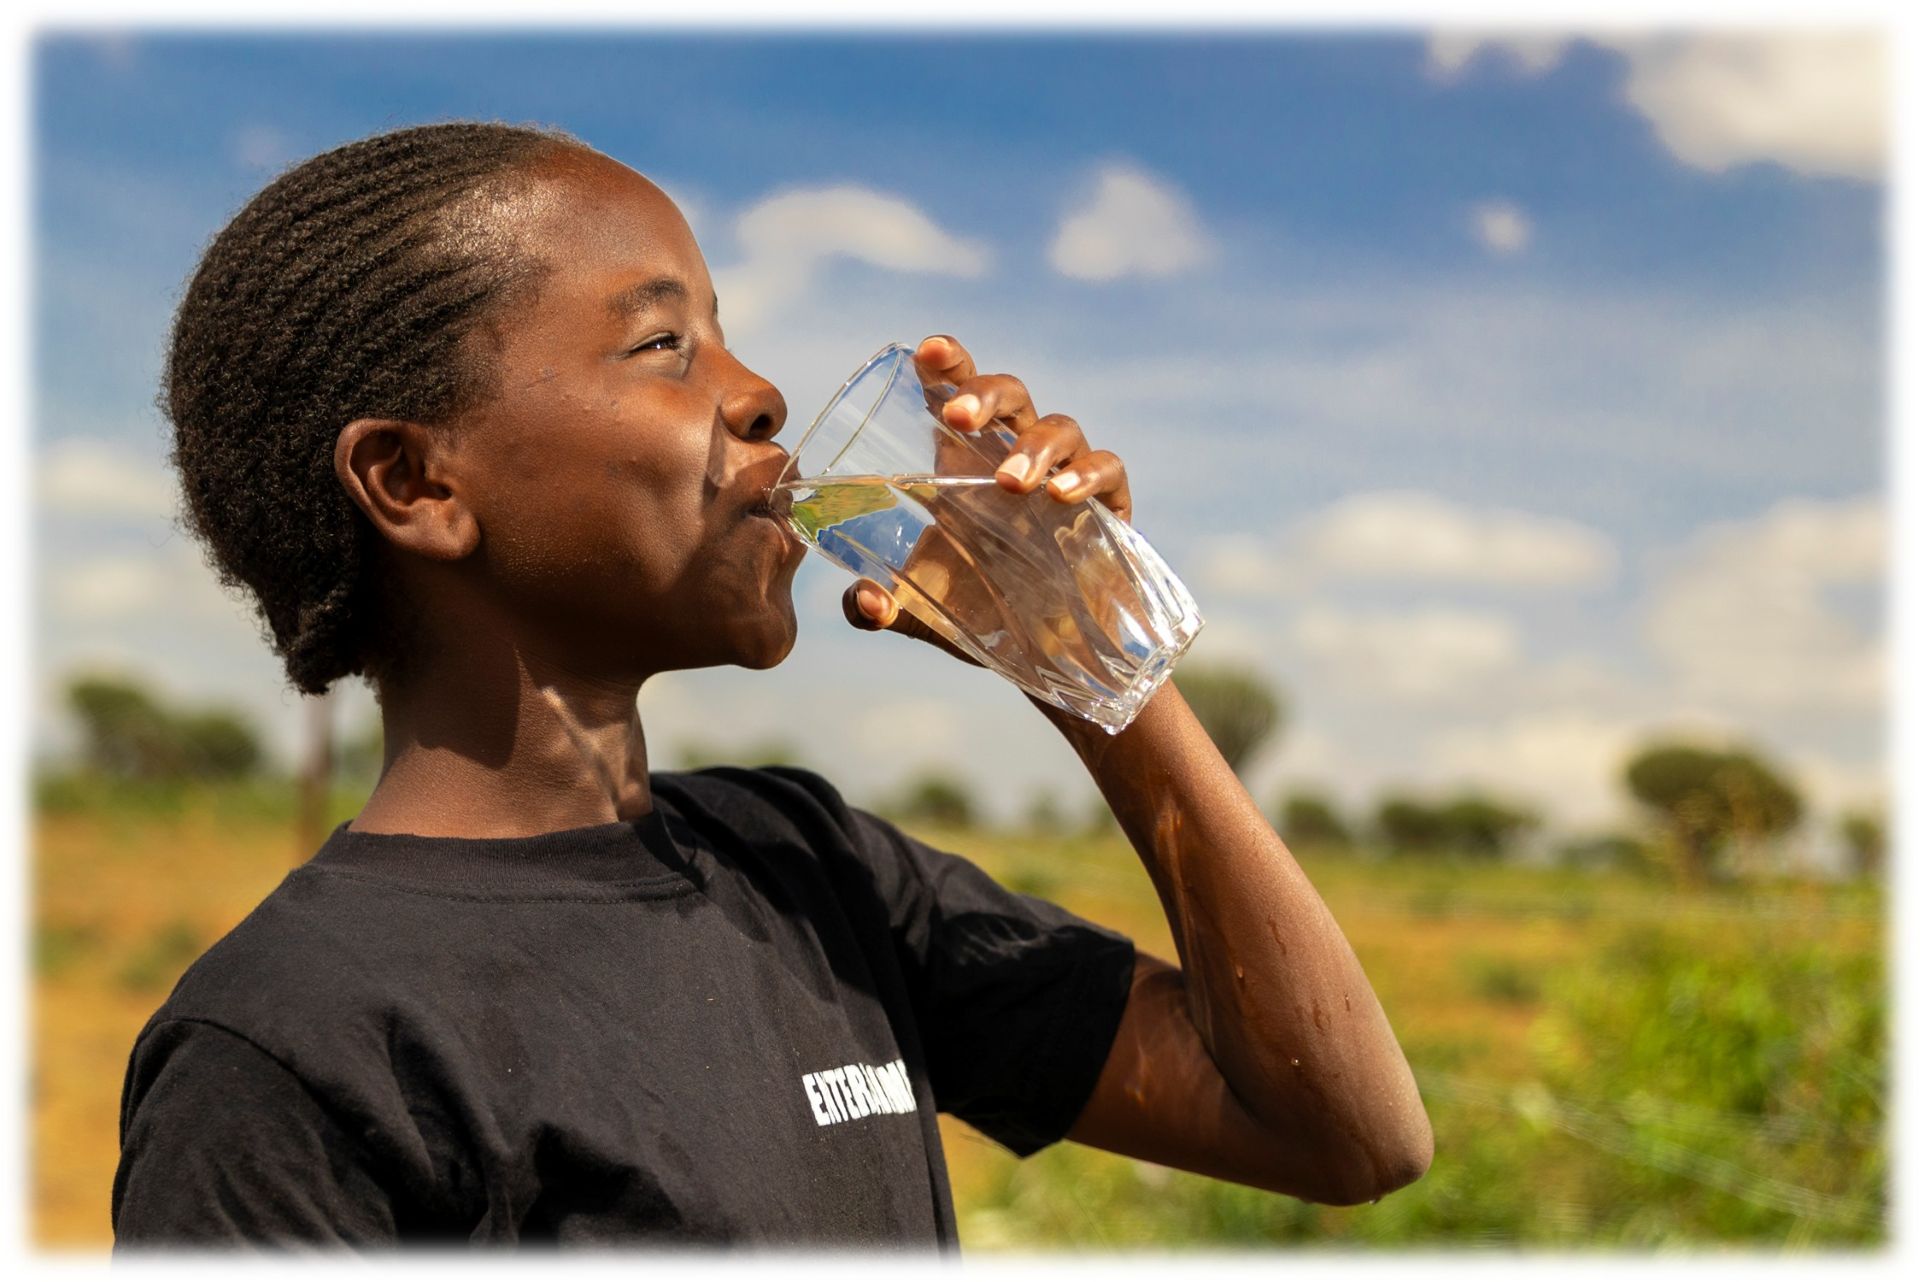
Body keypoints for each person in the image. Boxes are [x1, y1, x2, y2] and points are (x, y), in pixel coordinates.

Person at [111, 120, 1431, 1249]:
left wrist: (1090, 660)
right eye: (663, 346)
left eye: (727, 337)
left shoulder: (808, 867)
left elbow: (1343, 1130)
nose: (759, 397)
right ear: (418, 482)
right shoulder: (290, 1049)